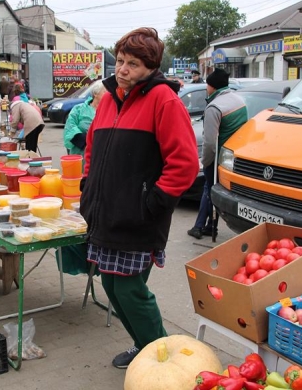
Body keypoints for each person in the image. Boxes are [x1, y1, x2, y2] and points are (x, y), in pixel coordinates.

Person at [79, 27, 199, 369]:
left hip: (138, 218)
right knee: (112, 287)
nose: (123, 69)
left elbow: (185, 164)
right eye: (120, 61)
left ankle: (167, 360)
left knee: (131, 291)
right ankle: (143, 348)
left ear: (150, 67)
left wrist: (154, 202)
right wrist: (87, 185)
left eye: (133, 63)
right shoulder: (108, 98)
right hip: (106, 215)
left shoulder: (164, 100)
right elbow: (91, 147)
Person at [187, 68, 247, 240]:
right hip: (233, 156)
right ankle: (210, 225)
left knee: (209, 188)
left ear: (212, 86)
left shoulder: (214, 107)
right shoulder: (238, 100)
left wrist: (205, 162)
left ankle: (199, 227)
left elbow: (210, 143)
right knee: (216, 189)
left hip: (218, 156)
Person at [63, 82, 106, 157]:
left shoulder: (110, 110)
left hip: (101, 152)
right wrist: (85, 141)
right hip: (80, 152)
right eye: (105, 92)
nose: (108, 95)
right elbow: (70, 127)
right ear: (95, 94)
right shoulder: (79, 109)